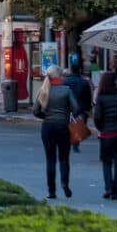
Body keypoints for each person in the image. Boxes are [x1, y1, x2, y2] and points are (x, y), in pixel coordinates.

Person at [34, 68, 79, 201]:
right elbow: (76, 108)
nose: (64, 78)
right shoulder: (66, 91)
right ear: (58, 77)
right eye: (62, 76)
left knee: (50, 159)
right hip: (64, 126)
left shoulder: (43, 90)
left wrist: (46, 116)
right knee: (64, 158)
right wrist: (67, 114)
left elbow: (36, 111)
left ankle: (51, 191)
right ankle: (64, 183)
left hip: (48, 126)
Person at [93, 68, 117, 200]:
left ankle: (108, 187)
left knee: (106, 161)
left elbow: (97, 117)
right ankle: (116, 191)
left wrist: (101, 128)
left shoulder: (101, 98)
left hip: (106, 133)